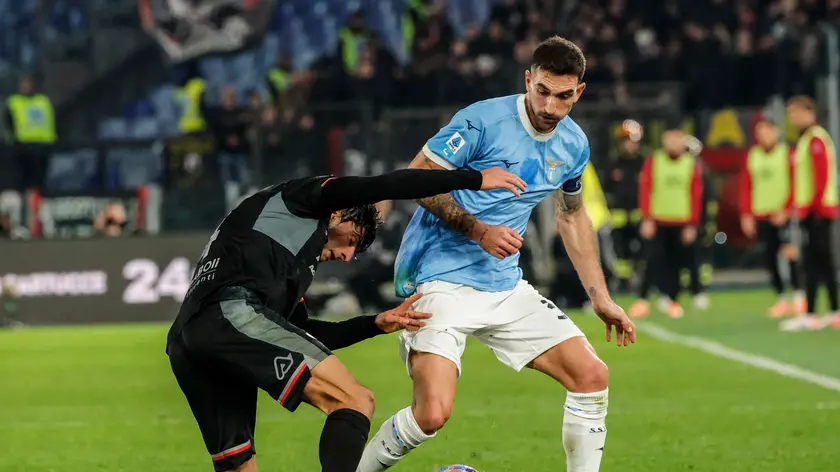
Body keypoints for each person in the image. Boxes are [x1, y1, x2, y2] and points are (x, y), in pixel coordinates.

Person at [357, 36, 635, 472]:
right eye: (542, 91)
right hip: (439, 279)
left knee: (591, 376)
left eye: (563, 96)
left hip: (504, 286)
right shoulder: (482, 122)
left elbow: (571, 215)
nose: (550, 106)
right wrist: (479, 230)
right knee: (431, 414)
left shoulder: (573, 145)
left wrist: (600, 297)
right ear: (528, 80)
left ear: (579, 92)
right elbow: (416, 178)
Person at [166, 165, 527, 472]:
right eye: (353, 239)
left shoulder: (284, 257)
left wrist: (375, 324)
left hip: (189, 337)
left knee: (238, 464)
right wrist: (474, 179)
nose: (347, 254)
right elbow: (387, 185)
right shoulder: (307, 199)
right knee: (354, 401)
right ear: (340, 213)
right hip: (229, 314)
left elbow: (304, 332)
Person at [629, 128, 704, 319]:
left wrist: (692, 224)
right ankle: (643, 298)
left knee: (677, 262)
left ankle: (672, 299)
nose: (674, 143)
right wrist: (647, 218)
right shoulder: (654, 161)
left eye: (678, 139)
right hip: (658, 220)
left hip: (681, 220)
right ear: (664, 140)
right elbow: (646, 190)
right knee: (652, 259)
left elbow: (695, 195)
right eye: (671, 139)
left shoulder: (690, 164)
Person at [780, 96, 840, 331]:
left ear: (809, 112)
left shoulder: (815, 139)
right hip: (812, 211)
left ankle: (820, 312)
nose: (793, 119)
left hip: (817, 212)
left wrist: (810, 208)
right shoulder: (806, 140)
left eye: (796, 113)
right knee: (817, 262)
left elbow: (820, 177)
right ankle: (821, 311)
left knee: (819, 261)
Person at [739, 118, 805, 318]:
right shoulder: (753, 156)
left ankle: (799, 296)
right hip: (761, 214)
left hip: (783, 215)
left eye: (767, 132)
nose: (764, 136)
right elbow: (746, 186)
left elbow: (797, 183)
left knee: (790, 254)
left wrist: (787, 209)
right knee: (769, 257)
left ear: (776, 132)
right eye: (760, 133)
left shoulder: (787, 154)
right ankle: (781, 298)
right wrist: (746, 214)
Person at [604, 119, 645, 290]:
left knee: (642, 250)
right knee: (620, 252)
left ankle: (640, 278)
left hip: (639, 216)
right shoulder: (613, 163)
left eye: (632, 141)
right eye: (626, 141)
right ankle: (623, 281)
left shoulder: (644, 163)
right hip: (618, 218)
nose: (629, 145)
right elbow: (606, 189)